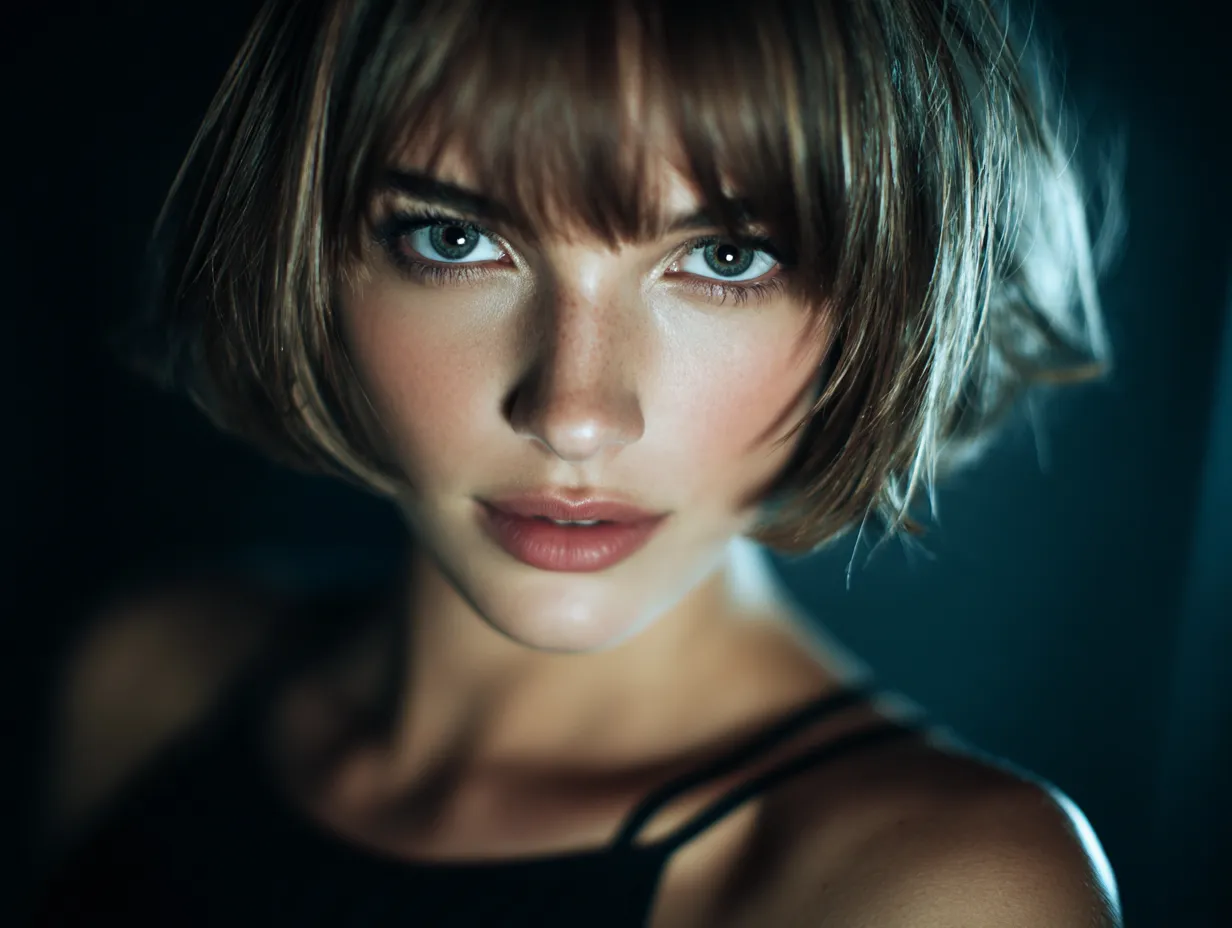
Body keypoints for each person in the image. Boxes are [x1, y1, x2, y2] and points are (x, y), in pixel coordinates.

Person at [31, 0, 1124, 925]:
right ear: (307, 251)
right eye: (454, 240)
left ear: (887, 290)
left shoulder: (946, 889)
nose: (572, 415)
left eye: (724, 259)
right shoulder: (149, 679)